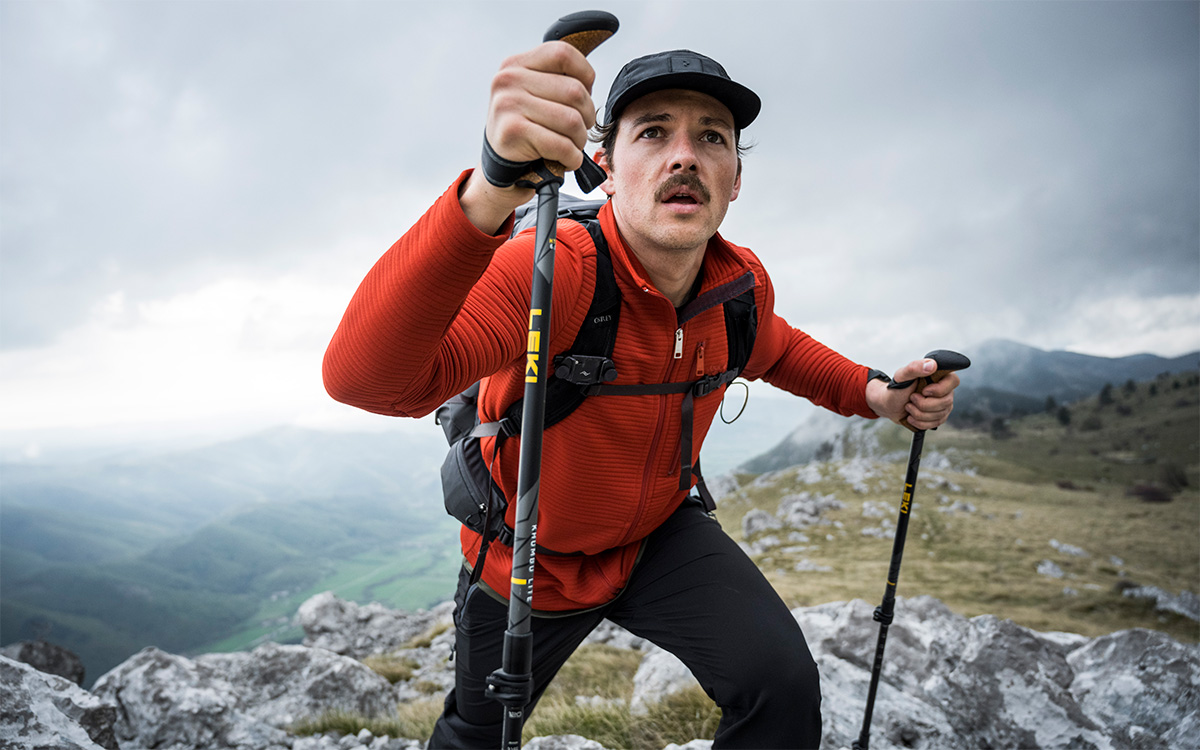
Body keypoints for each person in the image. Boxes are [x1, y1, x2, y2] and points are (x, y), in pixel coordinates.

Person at [323, 39, 960, 749]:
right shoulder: (553, 273)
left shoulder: (737, 289)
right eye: (653, 131)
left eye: (711, 138)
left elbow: (776, 348)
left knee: (779, 686)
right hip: (528, 556)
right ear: (608, 167)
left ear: (736, 177)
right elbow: (368, 380)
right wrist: (491, 189)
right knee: (476, 733)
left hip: (659, 538)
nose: (684, 155)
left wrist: (876, 395)